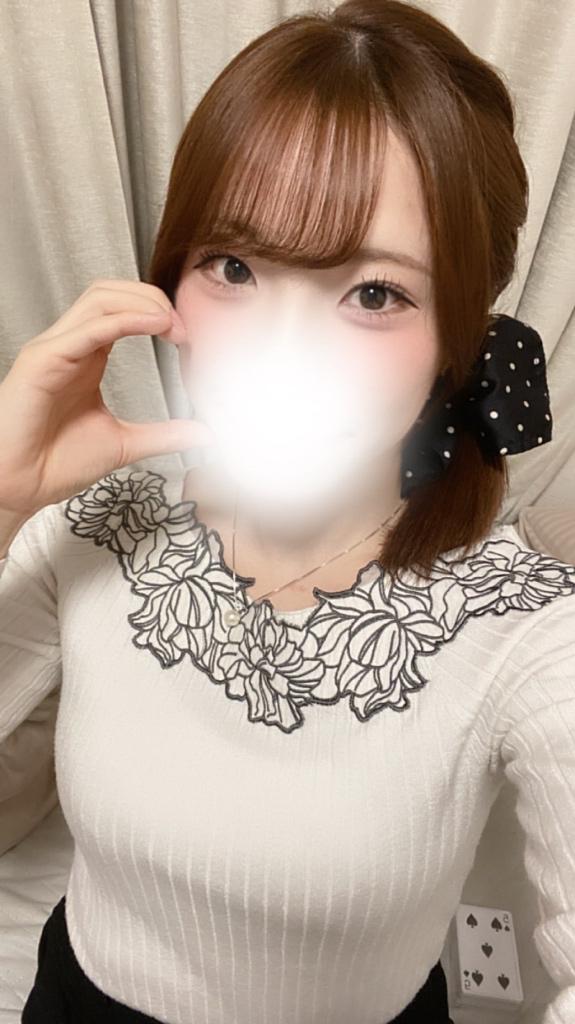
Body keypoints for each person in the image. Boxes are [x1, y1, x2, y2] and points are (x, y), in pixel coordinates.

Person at [1, 1, 573, 1022]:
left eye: (373, 293)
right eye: (233, 267)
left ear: (458, 337)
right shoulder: (97, 524)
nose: (281, 350)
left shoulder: (526, 629)